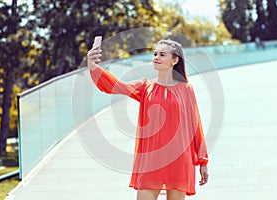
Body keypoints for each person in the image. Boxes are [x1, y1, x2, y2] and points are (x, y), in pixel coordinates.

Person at [87, 39, 209, 200]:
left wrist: (203, 162)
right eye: (155, 54)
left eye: (162, 54)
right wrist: (92, 66)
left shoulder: (186, 90)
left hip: (179, 160)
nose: (156, 57)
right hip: (151, 160)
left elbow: (195, 126)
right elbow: (114, 86)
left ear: (175, 60)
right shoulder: (145, 87)